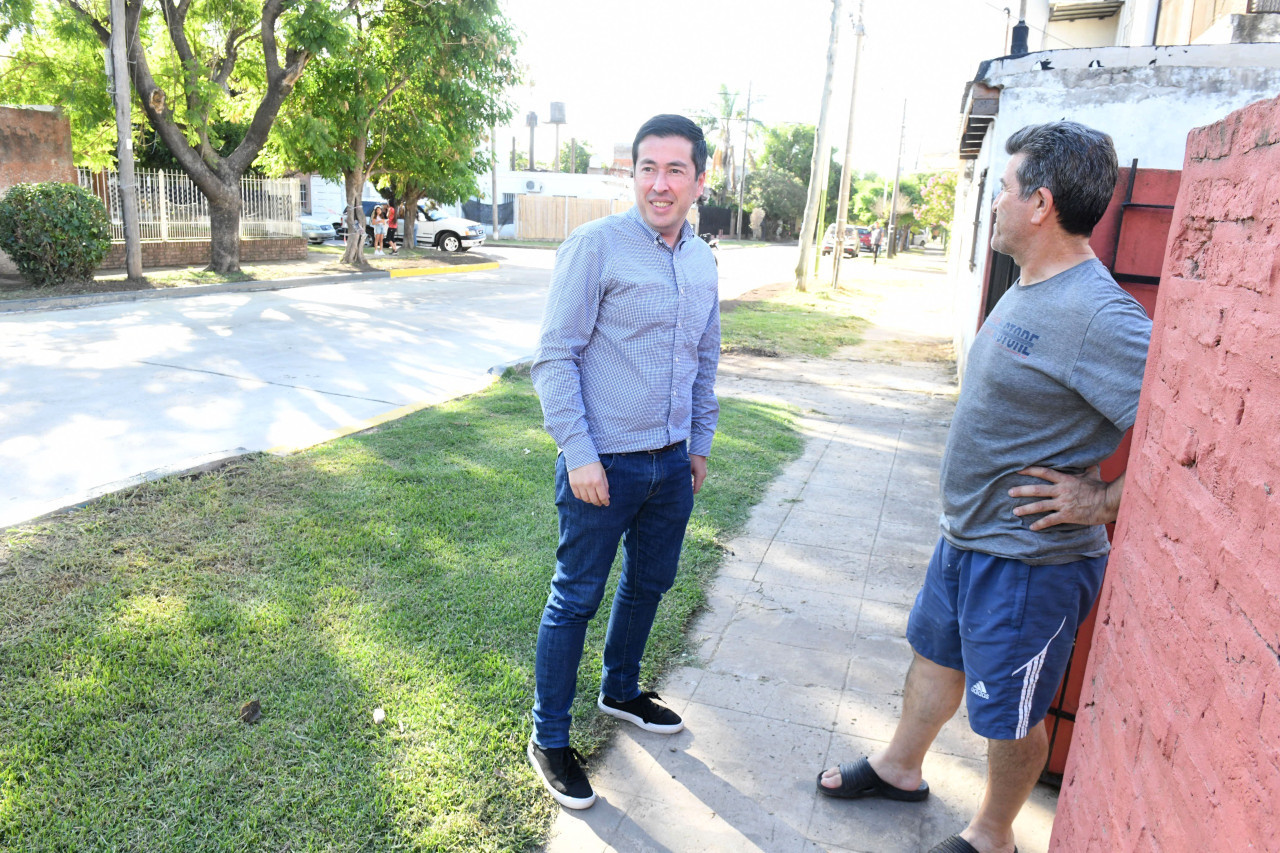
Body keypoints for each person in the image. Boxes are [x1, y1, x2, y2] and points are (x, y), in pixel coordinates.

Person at [817, 121, 1151, 853]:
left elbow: (1182, 427)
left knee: (1010, 715)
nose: (992, 204)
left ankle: (994, 833)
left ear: (1040, 203)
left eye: (1003, 188)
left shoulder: (1099, 315)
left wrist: (1098, 501)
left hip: (1030, 565)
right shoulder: (1029, 283)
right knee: (933, 658)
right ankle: (900, 766)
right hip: (967, 538)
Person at [527, 114, 720, 811]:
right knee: (575, 596)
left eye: (674, 169)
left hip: (671, 465)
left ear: (701, 177)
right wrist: (579, 454)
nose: (659, 183)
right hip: (602, 466)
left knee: (651, 581)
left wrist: (698, 444)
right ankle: (549, 737)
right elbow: (555, 356)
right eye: (647, 167)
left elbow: (704, 358)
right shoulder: (595, 246)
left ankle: (621, 688)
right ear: (632, 172)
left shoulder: (702, 258)